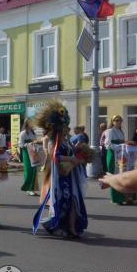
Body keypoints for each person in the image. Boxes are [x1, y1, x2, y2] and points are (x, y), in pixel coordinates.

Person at [33, 100, 88, 238]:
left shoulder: (67, 141)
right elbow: (55, 156)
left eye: (67, 126)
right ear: (58, 128)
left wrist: (80, 154)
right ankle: (56, 225)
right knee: (63, 202)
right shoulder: (53, 141)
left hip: (71, 175)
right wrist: (71, 159)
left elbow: (71, 153)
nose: (67, 129)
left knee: (74, 202)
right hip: (60, 176)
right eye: (64, 126)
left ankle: (71, 227)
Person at [104, 115, 136, 205]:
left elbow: (123, 143)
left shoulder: (121, 131)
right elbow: (108, 144)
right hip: (113, 155)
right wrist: (121, 146)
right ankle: (116, 198)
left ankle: (122, 197)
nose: (119, 122)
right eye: (116, 120)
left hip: (121, 155)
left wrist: (127, 145)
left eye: (120, 121)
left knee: (121, 175)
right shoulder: (109, 131)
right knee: (114, 175)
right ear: (112, 121)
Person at [19, 119, 39, 196]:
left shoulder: (33, 132)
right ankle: (28, 188)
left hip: (33, 152)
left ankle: (32, 188)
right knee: (29, 170)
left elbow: (36, 142)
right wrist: (29, 144)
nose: (32, 124)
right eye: (31, 123)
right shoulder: (23, 133)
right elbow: (20, 144)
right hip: (26, 153)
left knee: (34, 170)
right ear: (27, 124)